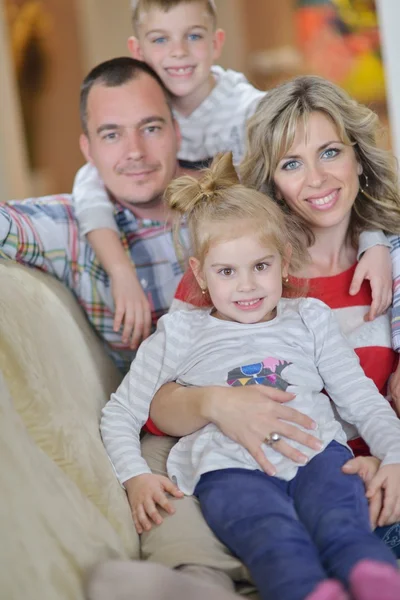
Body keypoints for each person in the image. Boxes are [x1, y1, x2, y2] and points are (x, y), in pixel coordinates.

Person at [130, 75, 400, 596]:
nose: (317, 178)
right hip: (251, 477)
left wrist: (384, 462)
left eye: (329, 152)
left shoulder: (391, 260)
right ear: (273, 181)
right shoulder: (241, 269)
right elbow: (154, 407)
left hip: (354, 484)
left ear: (358, 159)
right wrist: (217, 403)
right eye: (291, 163)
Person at [71, 0, 388, 350]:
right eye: (160, 40)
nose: (177, 52)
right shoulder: (145, 118)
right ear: (138, 49)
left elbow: (337, 175)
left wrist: (372, 239)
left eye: (192, 35)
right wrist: (120, 271)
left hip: (270, 257)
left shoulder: (249, 111)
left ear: (215, 42)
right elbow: (89, 186)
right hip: (212, 267)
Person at [0, 57, 187, 373]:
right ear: (88, 149)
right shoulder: (71, 227)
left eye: (151, 128)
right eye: (112, 135)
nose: (135, 151)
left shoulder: (229, 205)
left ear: (177, 132)